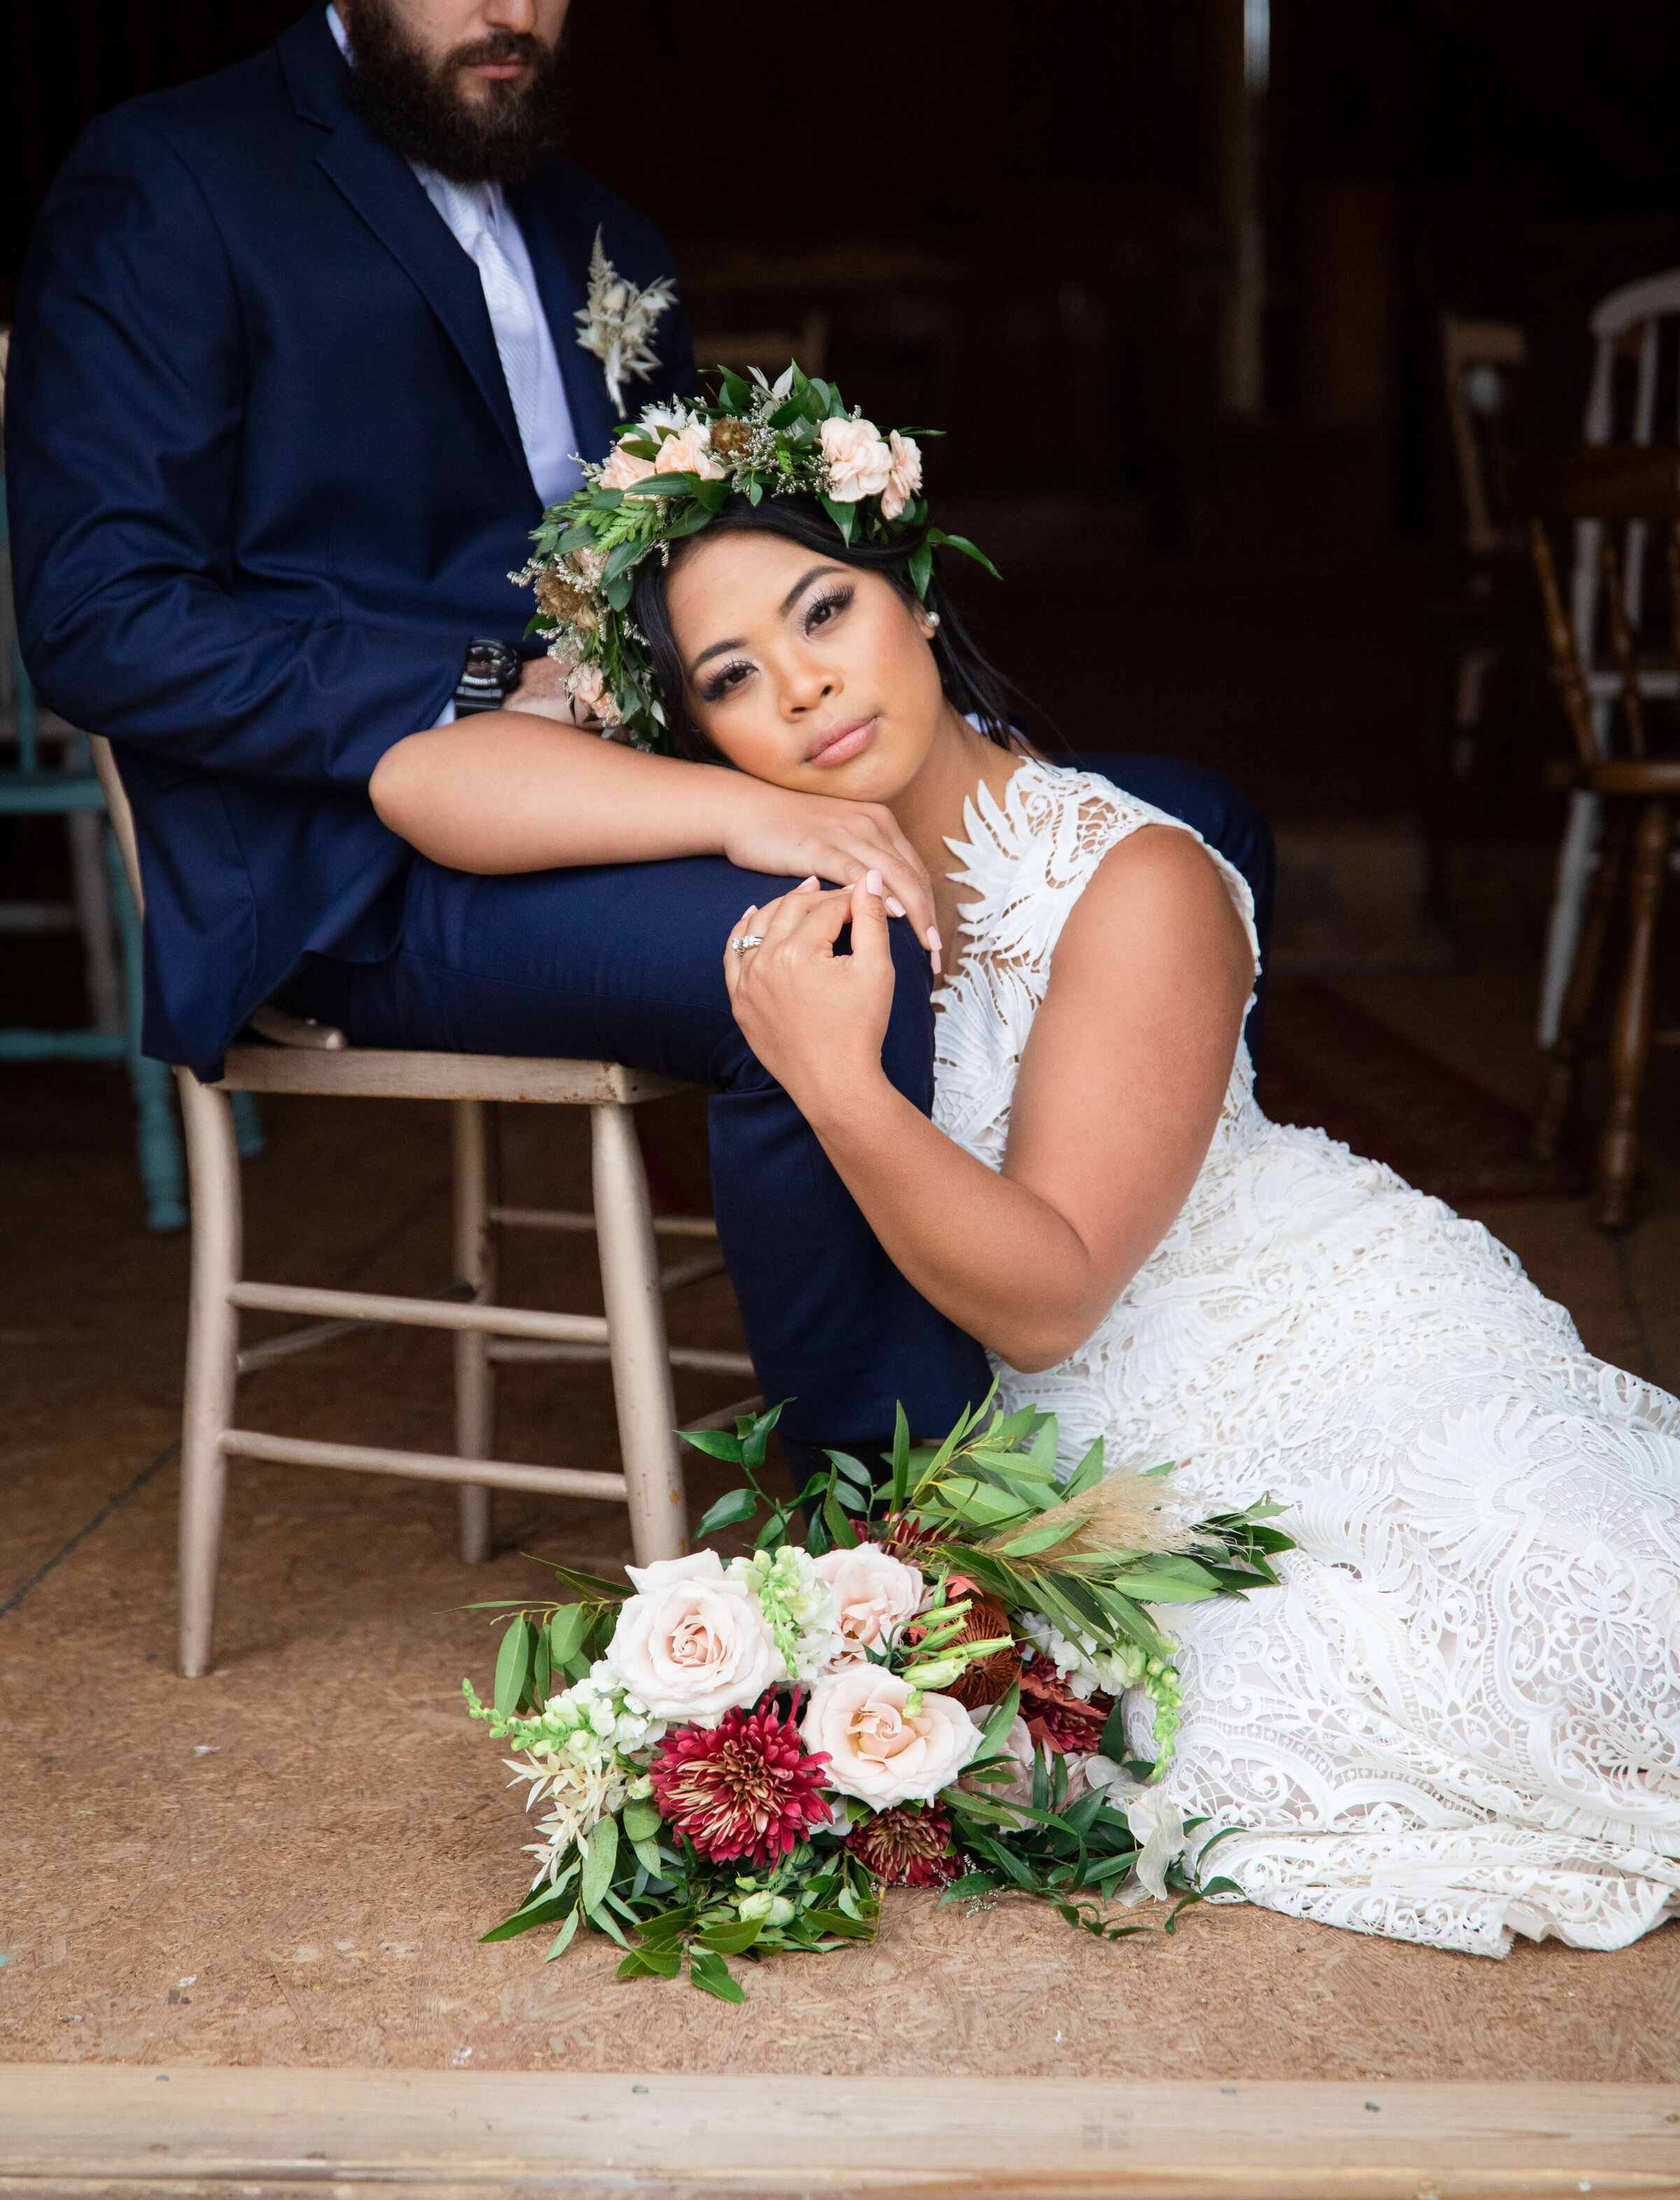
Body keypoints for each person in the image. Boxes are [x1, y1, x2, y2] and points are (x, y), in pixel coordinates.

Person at [381, 381, 1679, 1956]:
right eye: (733, 677)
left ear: (915, 594)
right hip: (1105, 1444)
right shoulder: (765, 811)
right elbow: (418, 784)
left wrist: (829, 1077)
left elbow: (1053, 1298)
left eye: (825, 612)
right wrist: (730, 812)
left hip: (1326, 1340)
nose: (802, 688)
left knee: (1580, 1649)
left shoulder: (1138, 875)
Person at [4, 0, 1273, 1476]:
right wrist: (497, 681)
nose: (510, 12)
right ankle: (898, 1539)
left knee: (1178, 823)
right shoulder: (175, 174)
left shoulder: (606, 230)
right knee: (816, 939)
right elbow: (101, 619)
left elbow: (719, 580)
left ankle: (1174, 1352)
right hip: (350, 850)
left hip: (647, 787)